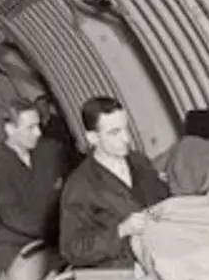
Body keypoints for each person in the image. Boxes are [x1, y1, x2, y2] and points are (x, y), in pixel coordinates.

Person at [59, 96, 170, 269]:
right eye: (114, 132)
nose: (126, 138)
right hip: (119, 270)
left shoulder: (139, 161)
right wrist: (121, 231)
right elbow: (73, 249)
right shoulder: (80, 185)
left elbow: (163, 198)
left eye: (126, 129)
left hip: (160, 256)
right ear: (92, 138)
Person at [0, 98, 69, 280]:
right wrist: (56, 231)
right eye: (30, 128)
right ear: (10, 129)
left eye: (38, 126)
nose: (38, 133)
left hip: (53, 247)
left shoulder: (50, 151)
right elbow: (12, 214)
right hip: (16, 247)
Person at [35, 94, 85, 172]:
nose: (40, 109)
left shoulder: (58, 121)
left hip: (65, 159)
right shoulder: (37, 125)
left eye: (43, 105)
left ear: (48, 106)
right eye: (38, 106)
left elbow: (66, 140)